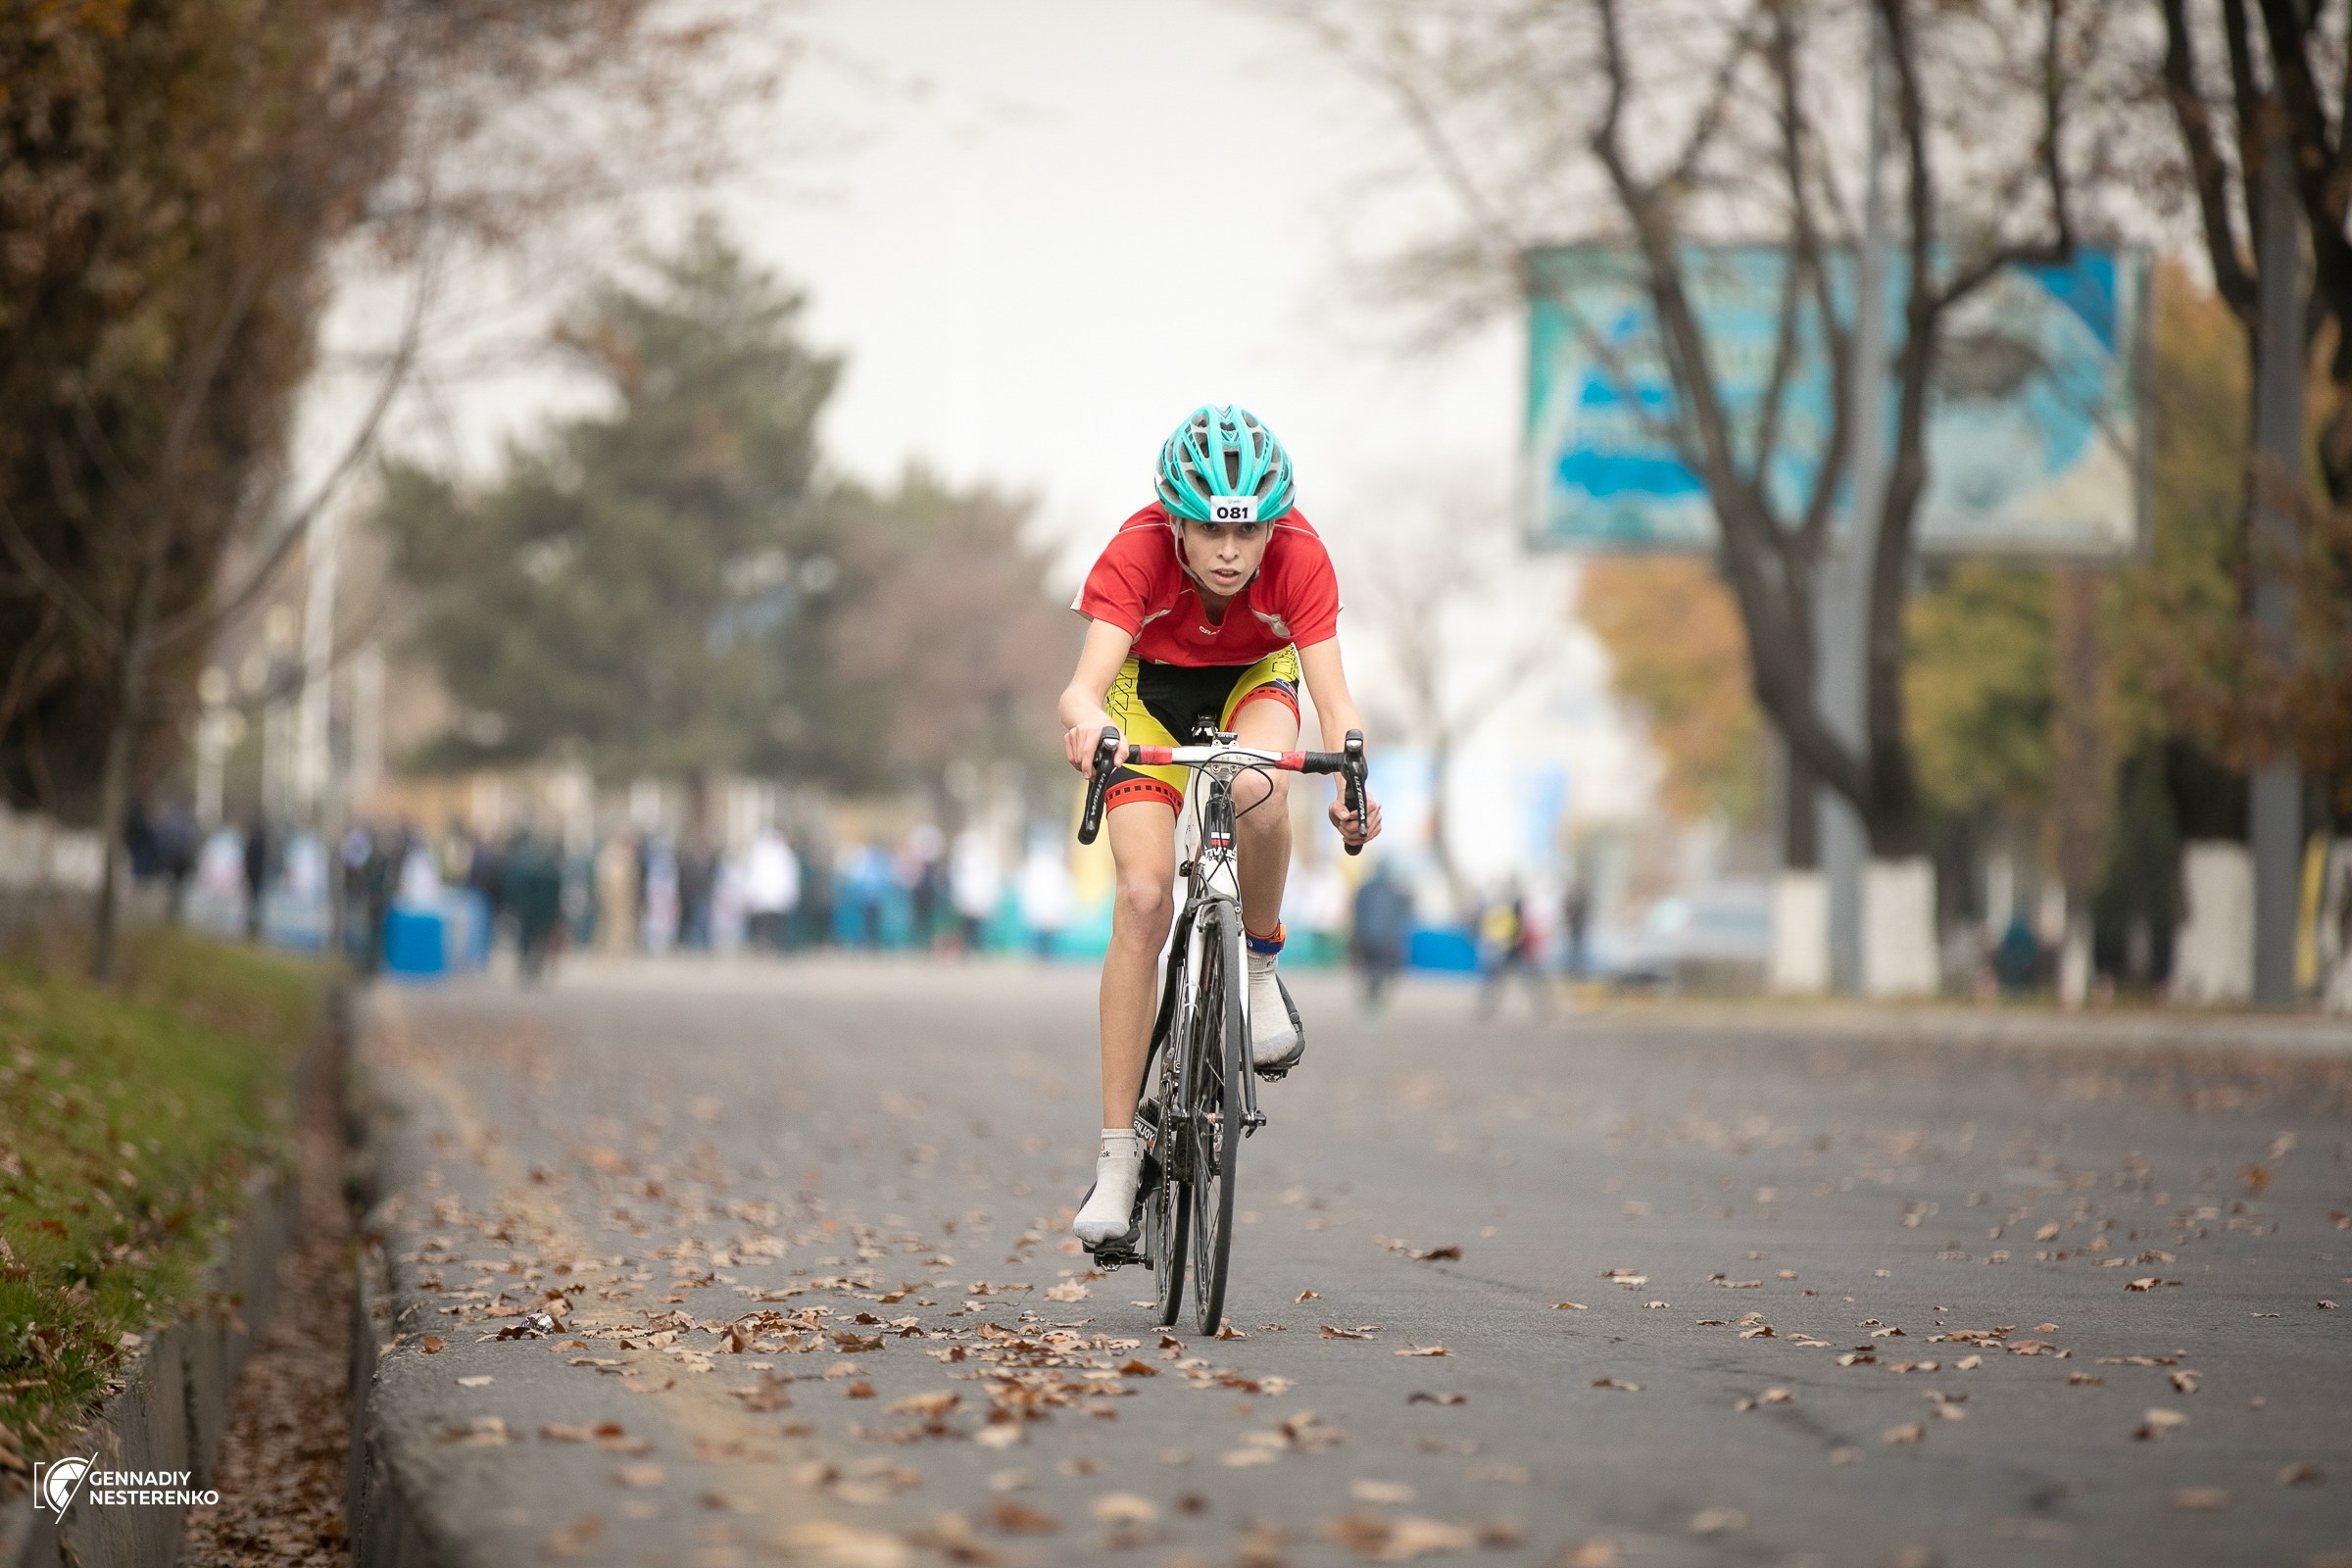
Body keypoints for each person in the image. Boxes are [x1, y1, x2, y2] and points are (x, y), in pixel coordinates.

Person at [1059, 405, 1382, 1246]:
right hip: (1146, 699)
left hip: (1253, 683)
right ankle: (1120, 1157)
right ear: (1176, 523)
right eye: (1210, 531)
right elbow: (1082, 688)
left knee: (1260, 786)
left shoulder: (1301, 556)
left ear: (1275, 525)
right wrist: (1088, 724)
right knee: (1139, 899)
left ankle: (1260, 966)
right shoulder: (1134, 550)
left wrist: (1352, 777)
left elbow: (1336, 702)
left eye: (1251, 532)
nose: (1232, 552)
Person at [1350, 859, 1412, 1014]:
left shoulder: (1365, 888)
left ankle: (1372, 996)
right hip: (1386, 936)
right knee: (1381, 967)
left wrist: (1358, 933)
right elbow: (1402, 912)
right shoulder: (1394, 889)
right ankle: (1375, 997)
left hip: (1368, 934)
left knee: (1370, 966)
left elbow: (1358, 911)